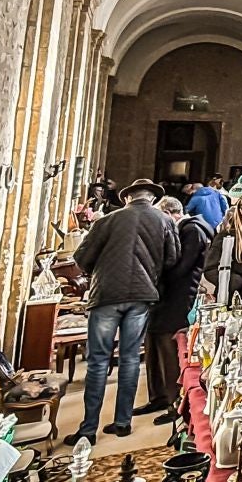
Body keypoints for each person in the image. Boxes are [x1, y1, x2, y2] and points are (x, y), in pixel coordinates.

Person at [67, 177, 176, 444]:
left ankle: (88, 428)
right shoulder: (165, 221)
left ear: (127, 197)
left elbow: (81, 258)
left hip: (106, 294)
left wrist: (100, 274)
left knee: (98, 362)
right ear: (151, 198)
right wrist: (152, 274)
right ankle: (122, 422)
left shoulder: (107, 220)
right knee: (129, 360)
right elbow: (173, 258)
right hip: (141, 296)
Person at [137, 195, 212, 418]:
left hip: (178, 296)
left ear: (170, 214)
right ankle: (158, 396)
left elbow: (182, 267)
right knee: (154, 342)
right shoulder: (187, 229)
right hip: (164, 295)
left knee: (170, 347)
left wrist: (155, 275)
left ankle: (174, 401)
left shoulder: (193, 230)